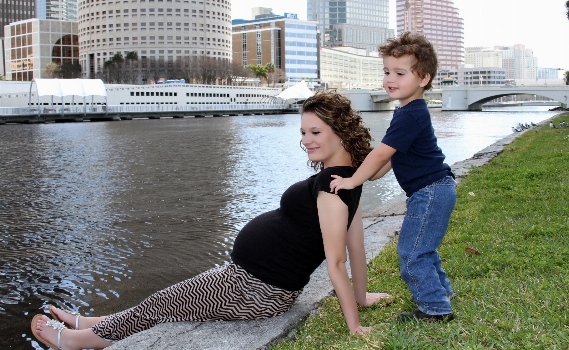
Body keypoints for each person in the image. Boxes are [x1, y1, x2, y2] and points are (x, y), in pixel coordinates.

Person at [31, 91, 391, 350]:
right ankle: (91, 323)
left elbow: (339, 258)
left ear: (340, 131)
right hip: (252, 279)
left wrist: (355, 326)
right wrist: (363, 296)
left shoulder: (334, 187)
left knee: (165, 302)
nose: (306, 140)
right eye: (303, 131)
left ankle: (80, 340)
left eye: (315, 132)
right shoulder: (345, 177)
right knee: (165, 298)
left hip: (259, 291)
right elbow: (356, 244)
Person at [330, 32, 456, 322]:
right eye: (387, 71)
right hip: (435, 188)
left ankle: (435, 309)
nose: (390, 79)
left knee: (411, 254)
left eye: (400, 73)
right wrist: (371, 175)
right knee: (424, 249)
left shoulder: (409, 114)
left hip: (430, 191)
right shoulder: (410, 112)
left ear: (423, 79)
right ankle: (442, 293)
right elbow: (391, 158)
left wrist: (353, 180)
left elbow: (380, 154)